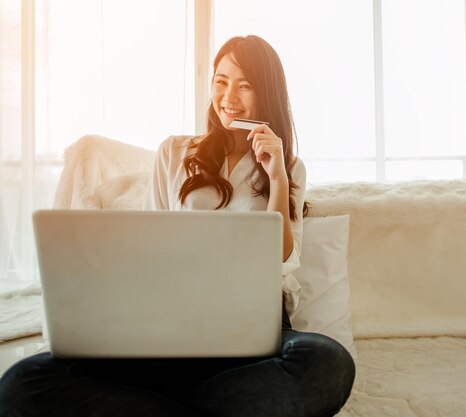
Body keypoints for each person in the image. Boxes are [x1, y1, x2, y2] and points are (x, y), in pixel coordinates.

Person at [0, 35, 355, 417]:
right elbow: (150, 245)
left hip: (255, 330)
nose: (228, 95)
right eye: (221, 80)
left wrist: (278, 179)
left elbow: (283, 262)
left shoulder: (289, 167)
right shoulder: (175, 152)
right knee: (22, 383)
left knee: (328, 364)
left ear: (266, 93)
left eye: (245, 84)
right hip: (174, 323)